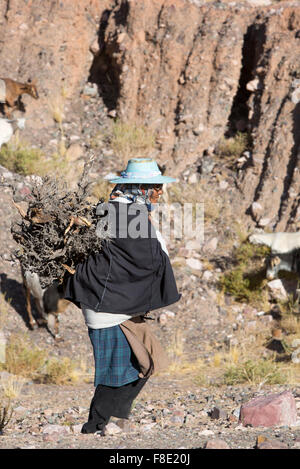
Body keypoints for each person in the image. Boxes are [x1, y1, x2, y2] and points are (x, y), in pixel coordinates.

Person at [64, 157, 181, 434]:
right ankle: (95, 426)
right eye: (155, 186)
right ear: (140, 187)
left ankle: (114, 419)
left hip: (115, 303)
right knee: (116, 371)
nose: (160, 192)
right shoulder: (127, 215)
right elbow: (152, 259)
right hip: (109, 306)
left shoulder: (117, 210)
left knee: (148, 361)